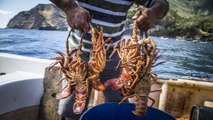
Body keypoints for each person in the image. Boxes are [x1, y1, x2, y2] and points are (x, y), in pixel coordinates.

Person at [50, 0, 169, 120]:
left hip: (112, 55)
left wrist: (153, 13)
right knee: (71, 110)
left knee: (119, 104)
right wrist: (70, 7)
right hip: (79, 55)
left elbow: (161, 3)